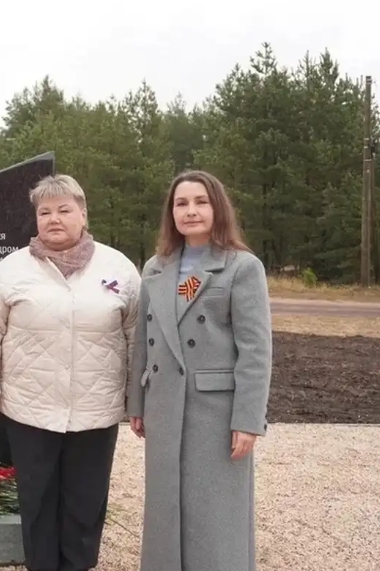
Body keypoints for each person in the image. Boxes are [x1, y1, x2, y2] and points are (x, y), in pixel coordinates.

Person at [0, 174, 141, 571]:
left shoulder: (119, 268)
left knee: (86, 499)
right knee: (38, 497)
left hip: (95, 408)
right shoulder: (12, 269)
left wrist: (137, 399)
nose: (54, 219)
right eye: (45, 212)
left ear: (83, 214)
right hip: (31, 407)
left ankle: (79, 565)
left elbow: (137, 336)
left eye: (64, 210)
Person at [126, 170, 272, 571]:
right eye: (181, 203)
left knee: (213, 512)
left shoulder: (242, 267)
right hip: (163, 405)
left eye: (200, 202)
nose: (190, 211)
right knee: (165, 505)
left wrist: (248, 419)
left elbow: (256, 351)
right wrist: (136, 402)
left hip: (215, 413)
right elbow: (144, 340)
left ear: (217, 208)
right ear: (171, 213)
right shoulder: (156, 267)